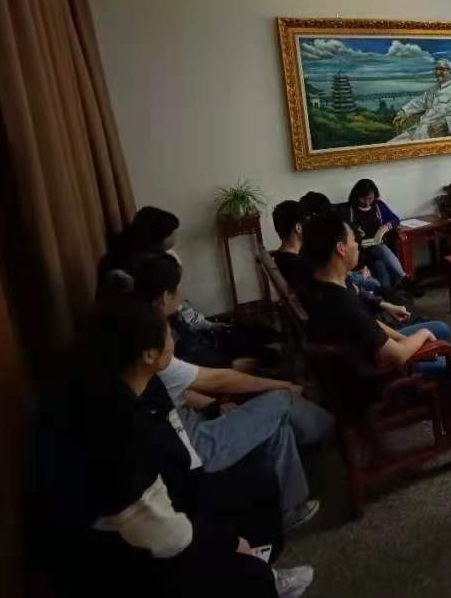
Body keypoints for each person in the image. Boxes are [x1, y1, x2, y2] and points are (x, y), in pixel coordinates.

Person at [31, 301, 312, 598]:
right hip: (127, 552)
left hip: (177, 486)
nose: (174, 338)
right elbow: (163, 533)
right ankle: (260, 574)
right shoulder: (115, 426)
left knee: (261, 474)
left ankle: (264, 567)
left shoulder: (137, 383)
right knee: (275, 420)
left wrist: (215, 408)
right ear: (148, 353)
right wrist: (228, 543)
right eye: (167, 334)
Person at [123, 253, 333, 532]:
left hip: (191, 425)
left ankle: (288, 509)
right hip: (198, 446)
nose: (172, 339)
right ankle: (329, 429)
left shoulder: (139, 334)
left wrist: (214, 405)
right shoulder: (153, 345)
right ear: (164, 296)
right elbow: (219, 380)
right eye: (178, 287)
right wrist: (284, 386)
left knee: (276, 426)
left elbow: (180, 392)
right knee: (281, 400)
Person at [300, 210, 451, 406]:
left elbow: (369, 324)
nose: (357, 245)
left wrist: (403, 337)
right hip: (380, 374)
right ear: (340, 248)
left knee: (441, 329)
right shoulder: (342, 302)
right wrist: (421, 335)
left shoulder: (323, 284)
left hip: (367, 356)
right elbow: (397, 355)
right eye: (353, 240)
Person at [100, 206, 277, 368]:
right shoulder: (148, 273)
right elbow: (187, 348)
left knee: (260, 334)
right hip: (191, 345)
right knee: (264, 349)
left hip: (190, 336)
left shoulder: (128, 261)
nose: (175, 237)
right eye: (172, 233)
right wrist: (228, 362)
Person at [273, 200, 451, 342]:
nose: (356, 244)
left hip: (366, 333)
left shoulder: (292, 261)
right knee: (441, 328)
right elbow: (383, 343)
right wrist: (413, 338)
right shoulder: (312, 274)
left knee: (379, 264)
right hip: (374, 347)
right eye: (353, 240)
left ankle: (401, 293)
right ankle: (403, 290)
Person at [342, 178, 424, 295]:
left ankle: (390, 293)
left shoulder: (378, 206)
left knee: (380, 264)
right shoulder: (349, 210)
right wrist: (356, 232)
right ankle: (405, 279)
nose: (367, 202)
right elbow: (344, 231)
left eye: (370, 198)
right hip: (361, 246)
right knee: (380, 247)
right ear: (356, 196)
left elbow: (395, 219)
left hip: (377, 245)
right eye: (363, 198)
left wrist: (386, 227)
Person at [389, 58, 451, 142]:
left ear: (449, 72)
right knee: (391, 144)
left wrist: (444, 122)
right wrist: (404, 111)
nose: (438, 72)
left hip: (434, 134)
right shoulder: (432, 90)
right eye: (436, 69)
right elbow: (418, 102)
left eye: (442, 69)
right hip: (417, 129)